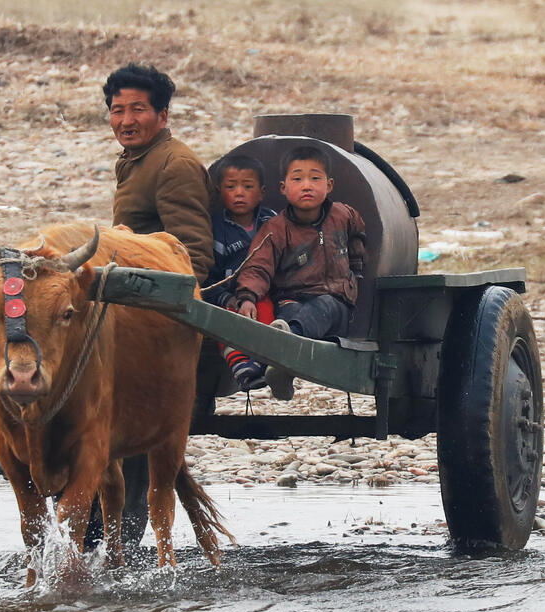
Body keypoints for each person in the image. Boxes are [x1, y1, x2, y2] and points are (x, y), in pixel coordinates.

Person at [233, 145, 366, 400]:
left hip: (336, 302)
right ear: (283, 188)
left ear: (329, 185)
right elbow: (258, 266)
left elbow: (358, 235)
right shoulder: (276, 229)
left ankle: (284, 343)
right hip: (292, 300)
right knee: (292, 313)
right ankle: (282, 366)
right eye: (298, 179)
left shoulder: (343, 215)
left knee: (321, 308)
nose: (307, 185)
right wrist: (247, 297)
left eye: (315, 178)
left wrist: (356, 270)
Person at [103, 63, 214, 282]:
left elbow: (193, 259)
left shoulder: (175, 165)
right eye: (118, 111)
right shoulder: (135, 157)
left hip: (150, 296)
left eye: (138, 109)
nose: (126, 121)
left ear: (162, 116)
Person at [201, 154, 277, 390]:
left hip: (264, 291)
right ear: (220, 192)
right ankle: (239, 364)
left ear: (261, 192)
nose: (239, 193)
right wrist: (228, 297)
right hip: (228, 293)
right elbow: (210, 276)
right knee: (225, 320)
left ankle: (262, 361)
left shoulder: (271, 221)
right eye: (231, 187)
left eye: (247, 186)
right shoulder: (216, 229)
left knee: (266, 312)